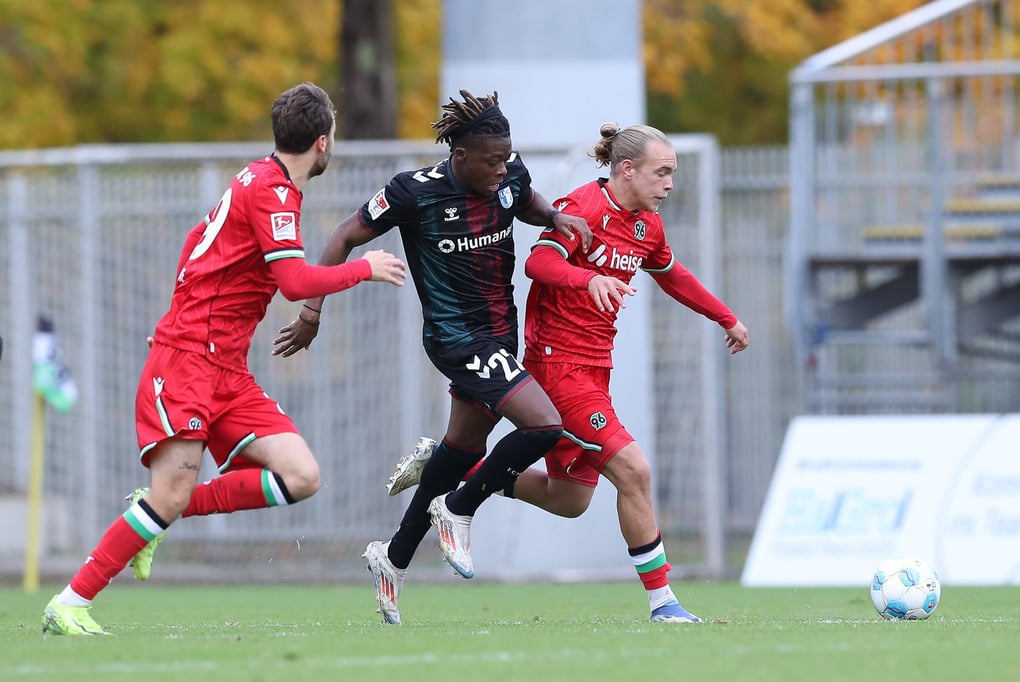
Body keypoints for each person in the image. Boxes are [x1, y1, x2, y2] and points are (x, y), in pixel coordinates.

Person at [41, 82, 407, 636]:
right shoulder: (273, 192)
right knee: (170, 492)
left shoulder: (256, 177)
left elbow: (195, 243)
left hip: (224, 367)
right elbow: (293, 282)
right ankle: (70, 601)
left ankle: (160, 514)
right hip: (189, 361)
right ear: (324, 144)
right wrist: (365, 267)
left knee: (301, 475)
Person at [389, 123, 750, 624]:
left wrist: (725, 316)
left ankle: (447, 469)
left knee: (570, 499)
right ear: (628, 169)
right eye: (661, 173)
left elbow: (673, 275)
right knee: (635, 472)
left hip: (594, 369)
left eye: (672, 174)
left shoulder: (647, 224)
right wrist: (590, 278)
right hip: (558, 365)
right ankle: (663, 603)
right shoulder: (584, 206)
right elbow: (539, 263)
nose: (669, 184)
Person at [272, 90, 592, 625]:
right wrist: (311, 314)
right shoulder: (413, 192)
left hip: (500, 337)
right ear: (460, 155)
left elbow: (526, 198)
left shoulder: (508, 174)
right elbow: (344, 235)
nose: (501, 168)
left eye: (506, 157)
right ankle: (460, 508)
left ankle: (392, 560)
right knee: (545, 426)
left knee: (460, 450)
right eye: (491, 160)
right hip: (456, 339)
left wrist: (555, 218)